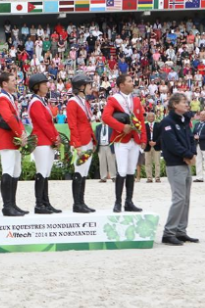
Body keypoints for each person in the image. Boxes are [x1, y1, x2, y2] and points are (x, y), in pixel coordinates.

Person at [102, 74, 147, 212]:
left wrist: (143, 139)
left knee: (130, 171)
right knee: (121, 170)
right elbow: (105, 117)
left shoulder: (137, 101)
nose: (132, 83)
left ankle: (129, 202)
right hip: (122, 139)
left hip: (135, 140)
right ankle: (117, 202)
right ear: (121, 85)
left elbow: (141, 120)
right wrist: (122, 127)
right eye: (129, 81)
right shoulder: (114, 100)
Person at [159, 93, 199, 246]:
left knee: (186, 199)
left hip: (185, 162)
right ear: (174, 105)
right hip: (175, 164)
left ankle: (181, 231)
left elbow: (189, 138)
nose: (186, 104)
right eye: (183, 102)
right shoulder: (167, 122)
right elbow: (171, 143)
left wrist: (192, 153)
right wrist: (186, 154)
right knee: (179, 198)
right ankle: (168, 232)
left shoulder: (184, 121)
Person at [0, 72, 29, 216]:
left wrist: (22, 132)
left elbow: (17, 119)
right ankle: (7, 206)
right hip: (7, 140)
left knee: (16, 171)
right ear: (4, 84)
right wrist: (20, 133)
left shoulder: (10, 98)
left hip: (14, 139)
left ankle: (13, 204)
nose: (16, 82)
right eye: (13, 80)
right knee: (8, 171)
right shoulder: (2, 98)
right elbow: (9, 118)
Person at [27, 73, 62, 214]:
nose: (47, 86)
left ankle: (46, 203)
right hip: (41, 141)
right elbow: (43, 124)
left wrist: (57, 137)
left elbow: (50, 123)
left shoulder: (42, 101)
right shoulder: (35, 102)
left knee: (46, 173)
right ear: (36, 87)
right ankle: (39, 204)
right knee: (41, 172)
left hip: (47, 140)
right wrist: (54, 138)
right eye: (43, 84)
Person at [66, 73, 96, 213]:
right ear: (81, 87)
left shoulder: (85, 102)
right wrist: (77, 145)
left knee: (84, 172)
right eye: (89, 85)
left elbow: (87, 124)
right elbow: (72, 125)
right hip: (80, 143)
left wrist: (93, 140)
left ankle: (82, 202)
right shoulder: (73, 102)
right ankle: (76, 204)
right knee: (79, 171)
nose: (91, 87)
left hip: (88, 141)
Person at [144, 112, 162, 183]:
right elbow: (144, 135)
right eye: (149, 117)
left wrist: (156, 142)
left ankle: (157, 178)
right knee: (148, 163)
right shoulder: (144, 126)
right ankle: (149, 178)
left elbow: (161, 135)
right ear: (147, 118)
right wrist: (149, 142)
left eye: (152, 116)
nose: (151, 118)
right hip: (147, 146)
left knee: (157, 163)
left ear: (154, 117)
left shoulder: (158, 125)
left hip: (156, 146)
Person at [191, 111, 205, 182]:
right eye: (201, 115)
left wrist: (199, 137)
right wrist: (193, 136)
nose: (202, 116)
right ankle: (199, 177)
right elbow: (193, 133)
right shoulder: (196, 124)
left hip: (204, 144)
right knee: (198, 161)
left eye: (203, 115)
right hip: (197, 144)